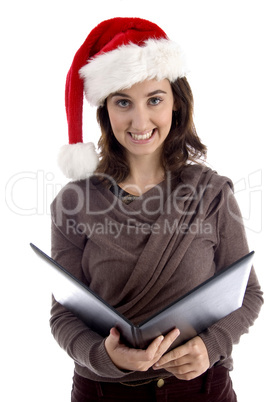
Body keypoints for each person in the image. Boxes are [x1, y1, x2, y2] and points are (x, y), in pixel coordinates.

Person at [50, 17, 263, 401]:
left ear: (176, 104)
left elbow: (248, 294)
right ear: (105, 110)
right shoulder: (73, 202)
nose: (140, 120)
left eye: (154, 100)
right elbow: (63, 315)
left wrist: (211, 346)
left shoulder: (212, 192)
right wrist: (103, 355)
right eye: (123, 102)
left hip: (200, 390)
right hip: (102, 392)